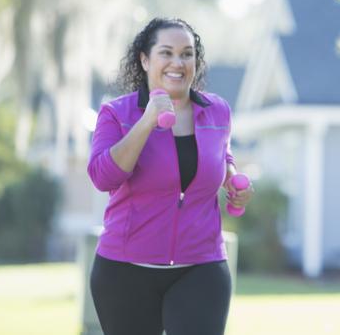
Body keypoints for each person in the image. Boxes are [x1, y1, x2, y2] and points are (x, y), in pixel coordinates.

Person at [87, 17, 252, 335]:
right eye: (167, 53)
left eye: (187, 54)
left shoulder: (217, 111)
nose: (178, 63)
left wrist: (232, 177)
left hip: (202, 266)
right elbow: (102, 177)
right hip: (124, 271)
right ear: (145, 60)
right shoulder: (117, 114)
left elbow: (222, 153)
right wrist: (146, 121)